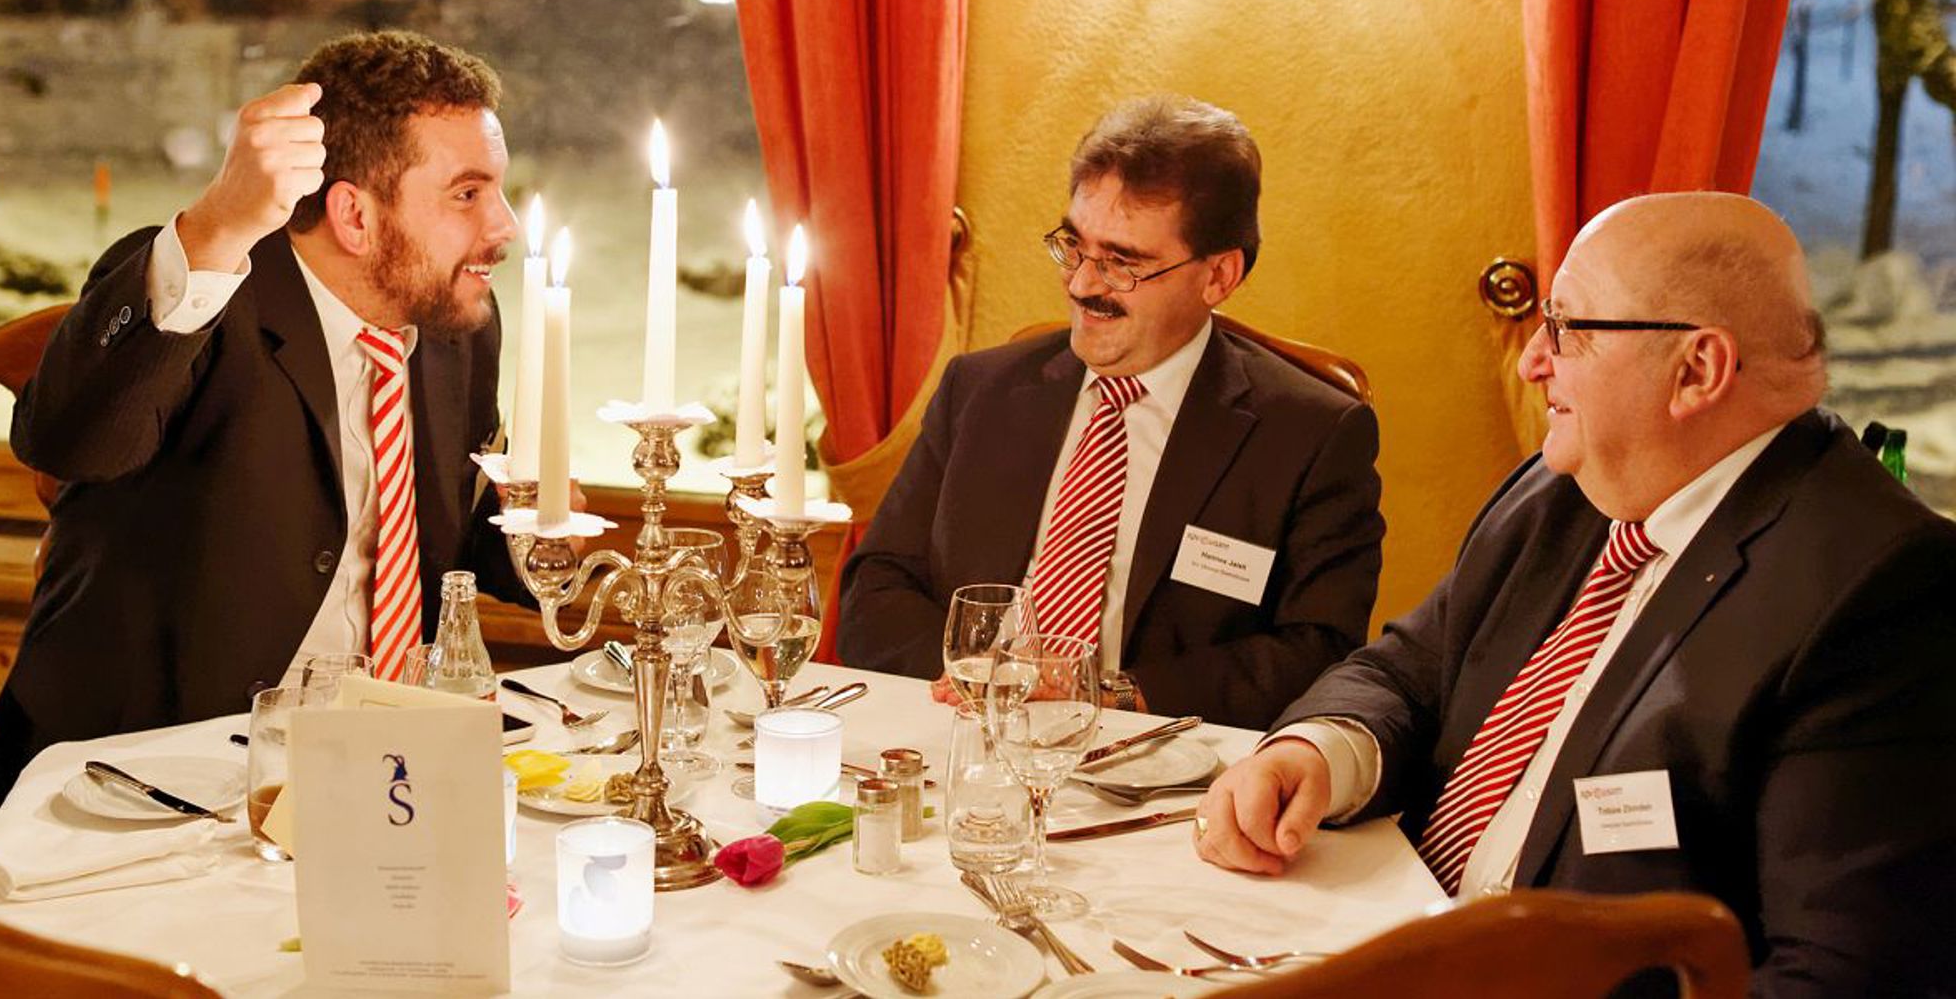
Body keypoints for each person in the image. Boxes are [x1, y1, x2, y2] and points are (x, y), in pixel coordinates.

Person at [1193, 192, 1956, 997]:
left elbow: (1845, 976)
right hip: (1381, 938)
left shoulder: (1880, 591)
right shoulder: (1573, 485)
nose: (1532, 360)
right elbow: (1410, 669)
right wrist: (1318, 751)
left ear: (1696, 369)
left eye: (1568, 328)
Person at [0, 31, 528, 810]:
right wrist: (216, 227)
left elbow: (444, 533)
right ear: (354, 215)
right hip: (137, 788)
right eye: (467, 194)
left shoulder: (453, 329)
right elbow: (70, 440)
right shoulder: (206, 303)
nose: (504, 225)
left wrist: (543, 532)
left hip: (376, 781)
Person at [837, 96, 1384, 728]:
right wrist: (980, 682)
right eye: (1074, 246)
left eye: (1122, 263)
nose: (1081, 285)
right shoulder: (981, 390)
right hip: (963, 735)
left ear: (1219, 276)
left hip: (1158, 759)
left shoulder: (1310, 434)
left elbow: (1318, 650)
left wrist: (1109, 694)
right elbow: (876, 587)